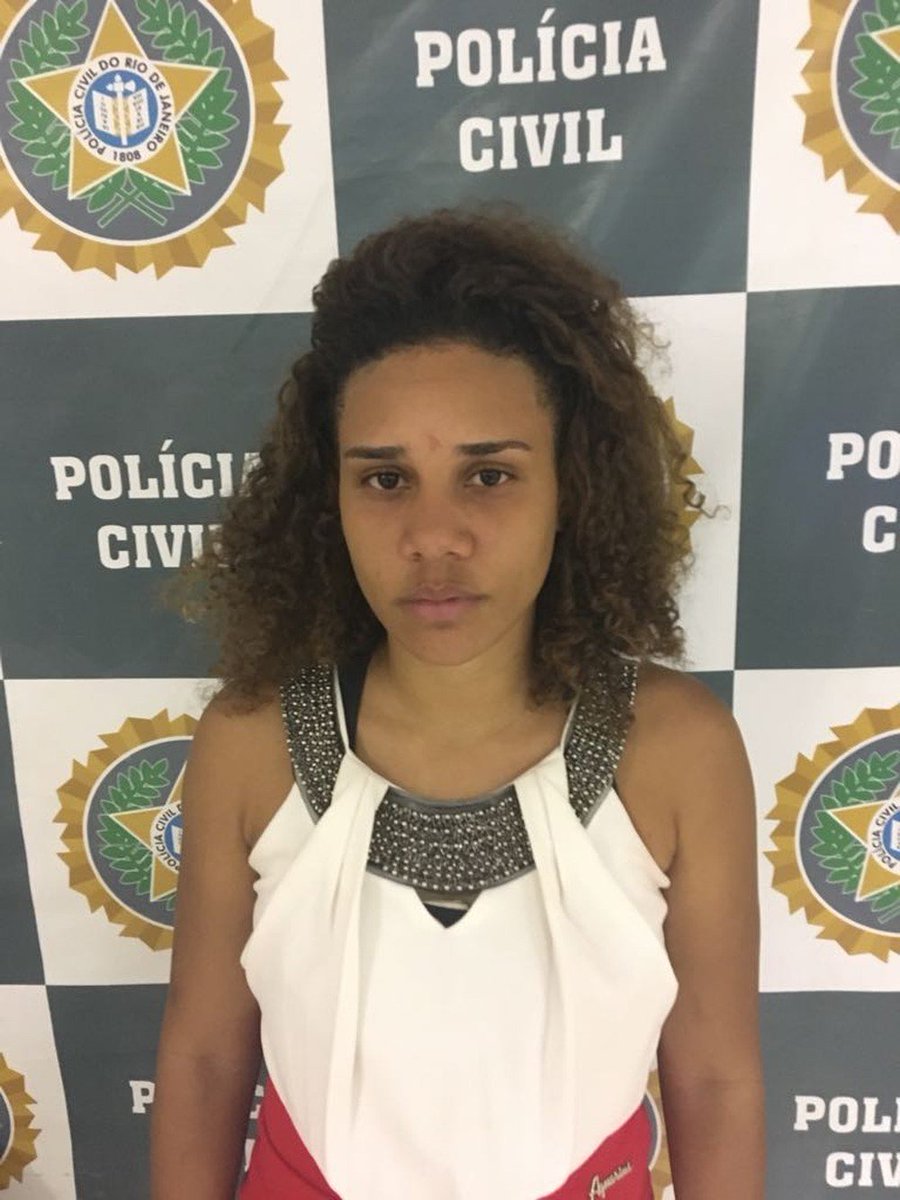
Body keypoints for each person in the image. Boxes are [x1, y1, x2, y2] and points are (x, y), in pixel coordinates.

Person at [149, 203, 765, 1199]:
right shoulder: (251, 738)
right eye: (386, 479)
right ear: (330, 499)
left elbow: (715, 1079)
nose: (434, 536)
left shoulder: (678, 750)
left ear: (570, 488)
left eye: (488, 474)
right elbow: (207, 1058)